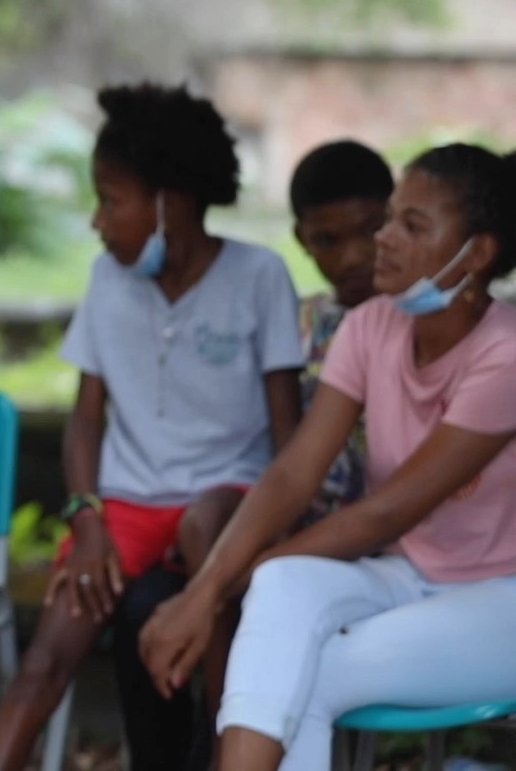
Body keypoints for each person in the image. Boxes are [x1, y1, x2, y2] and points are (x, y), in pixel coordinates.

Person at [141, 144, 516, 771]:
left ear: (476, 254)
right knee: (282, 585)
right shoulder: (369, 327)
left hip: (498, 599)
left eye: (411, 226)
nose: (384, 240)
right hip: (406, 579)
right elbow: (292, 472)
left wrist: (204, 600)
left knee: (302, 668)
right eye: (390, 218)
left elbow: (386, 513)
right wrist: (212, 585)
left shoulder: (504, 356)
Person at [0, 83, 305, 771]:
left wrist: (284, 534)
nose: (97, 221)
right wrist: (87, 515)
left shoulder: (258, 277)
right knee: (45, 662)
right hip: (122, 508)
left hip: (225, 501)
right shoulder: (107, 280)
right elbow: (86, 420)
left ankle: (220, 741)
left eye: (109, 200)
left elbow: (287, 429)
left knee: (203, 525)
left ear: (169, 203)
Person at [106, 138, 393, 769]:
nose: (353, 256)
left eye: (371, 231)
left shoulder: (423, 327)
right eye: (327, 240)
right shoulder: (299, 320)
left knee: (242, 595)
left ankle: (226, 740)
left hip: (376, 545)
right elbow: (279, 457)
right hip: (273, 526)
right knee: (143, 605)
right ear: (302, 239)